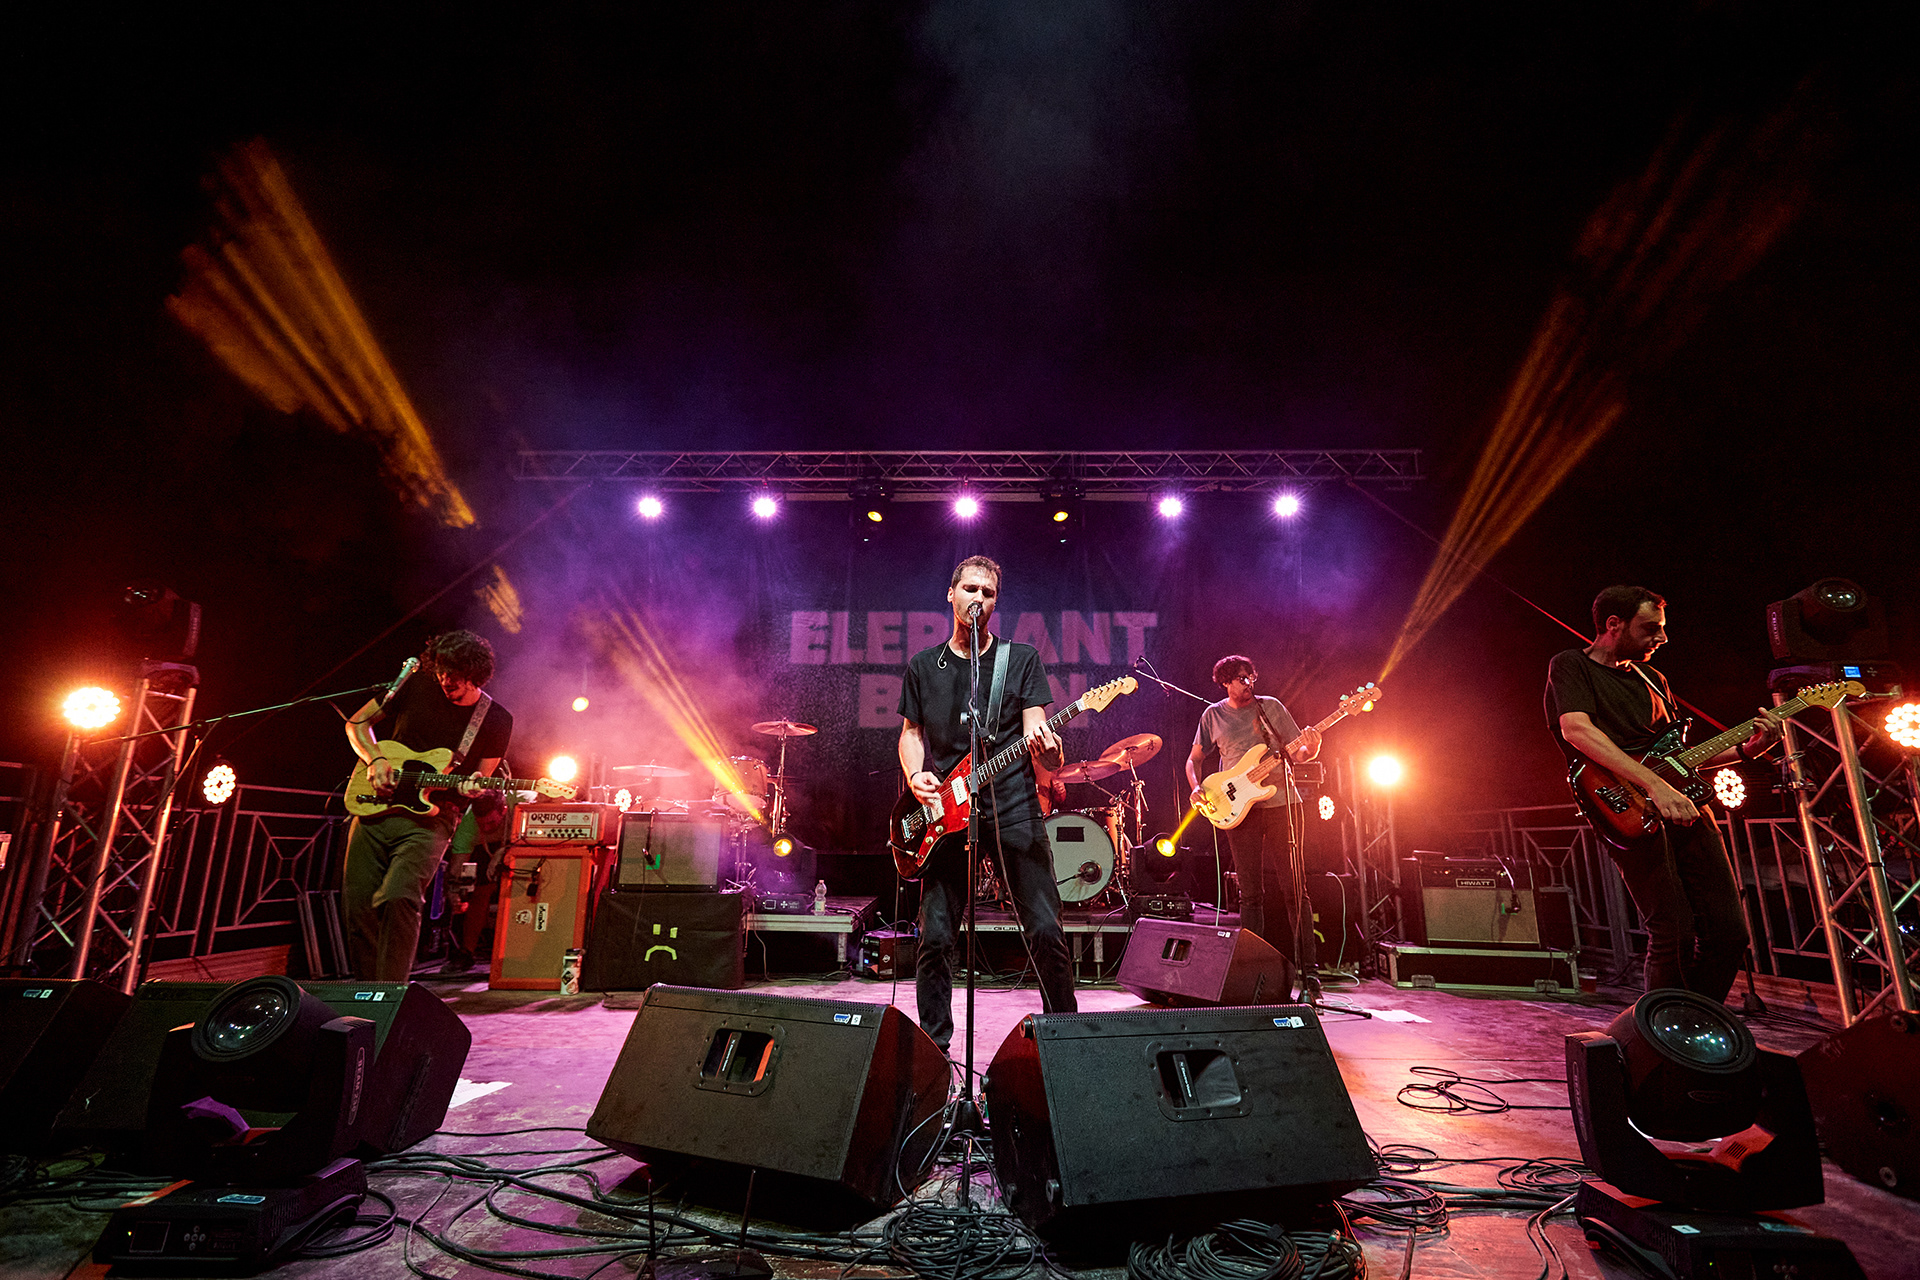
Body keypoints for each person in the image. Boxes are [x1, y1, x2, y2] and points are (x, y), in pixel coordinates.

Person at [1545, 586, 1780, 1003]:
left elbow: (1678, 759)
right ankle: (1660, 1034)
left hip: (1683, 805)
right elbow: (1577, 730)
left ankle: (1698, 1022)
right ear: (1613, 625)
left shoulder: (1653, 679)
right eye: (1650, 628)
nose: (1662, 638)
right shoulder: (1571, 664)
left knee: (1730, 933)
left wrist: (1747, 750)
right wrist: (1654, 785)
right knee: (1673, 932)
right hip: (1626, 807)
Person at [898, 555, 1077, 1053]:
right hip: (947, 814)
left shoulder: (1020, 660)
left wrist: (1050, 751)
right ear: (951, 594)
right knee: (935, 938)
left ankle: (1067, 1041)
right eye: (971, 589)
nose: (979, 599)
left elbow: (1039, 732)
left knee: (1045, 929)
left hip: (1013, 805)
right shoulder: (922, 666)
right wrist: (916, 775)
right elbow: (910, 734)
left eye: (989, 593)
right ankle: (935, 1050)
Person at [343, 629, 513, 982]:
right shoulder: (415, 685)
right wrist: (375, 759)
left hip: (431, 819)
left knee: (398, 896)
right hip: (375, 806)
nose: (446, 680)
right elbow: (356, 724)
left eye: (456, 674)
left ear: (476, 674)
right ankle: (366, 991)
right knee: (358, 905)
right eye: (442, 670)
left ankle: (390, 993)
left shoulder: (496, 719)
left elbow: (481, 779)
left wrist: (473, 789)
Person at [1185, 655, 1322, 965]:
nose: (1248, 683)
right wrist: (1196, 787)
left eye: (1250, 677)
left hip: (1282, 804)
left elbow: (1298, 753)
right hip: (1238, 808)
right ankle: (1251, 968)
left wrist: (1313, 747)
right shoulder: (1213, 715)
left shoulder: (1270, 707)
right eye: (1240, 678)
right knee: (1250, 893)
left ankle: (1308, 968)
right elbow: (1194, 759)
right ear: (1225, 682)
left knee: (1295, 889)